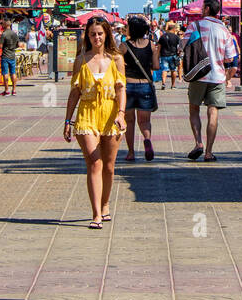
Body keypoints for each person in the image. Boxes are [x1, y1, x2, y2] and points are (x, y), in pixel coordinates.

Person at [62, 17, 126, 228]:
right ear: (87, 36)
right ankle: (96, 213)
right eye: (92, 34)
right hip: (87, 113)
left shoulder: (115, 59)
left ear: (106, 34)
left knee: (108, 165)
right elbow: (75, 92)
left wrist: (122, 113)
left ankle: (105, 204)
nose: (96, 37)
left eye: (99, 33)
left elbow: (120, 89)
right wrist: (67, 120)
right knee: (94, 161)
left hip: (110, 114)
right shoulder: (81, 59)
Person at [186, 0, 238, 161]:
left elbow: (182, 45)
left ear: (207, 9)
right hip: (217, 76)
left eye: (203, 7)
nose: (201, 10)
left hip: (198, 75)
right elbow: (231, 57)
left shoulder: (195, 25)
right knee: (213, 111)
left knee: (194, 109)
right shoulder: (224, 30)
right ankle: (209, 152)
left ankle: (198, 143)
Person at [120, 17, 159, 161]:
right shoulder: (151, 45)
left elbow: (117, 65)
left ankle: (131, 152)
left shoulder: (124, 46)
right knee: (144, 121)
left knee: (129, 121)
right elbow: (156, 66)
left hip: (128, 86)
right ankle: (147, 139)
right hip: (145, 85)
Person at [0, 16, 20, 96]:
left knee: (5, 73)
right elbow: (18, 45)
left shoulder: (4, 34)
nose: (1, 25)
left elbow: (0, 46)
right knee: (13, 72)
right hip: (12, 55)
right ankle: (14, 90)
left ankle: (6, 90)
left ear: (6, 24)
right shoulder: (14, 34)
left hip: (5, 55)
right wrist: (12, 47)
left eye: (2, 23)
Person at [158, 20, 181, 89]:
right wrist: (179, 54)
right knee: (173, 70)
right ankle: (173, 85)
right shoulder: (176, 37)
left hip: (164, 55)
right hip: (173, 55)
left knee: (164, 70)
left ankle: (163, 84)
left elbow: (159, 47)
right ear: (173, 29)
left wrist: (158, 55)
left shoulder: (162, 36)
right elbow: (179, 47)